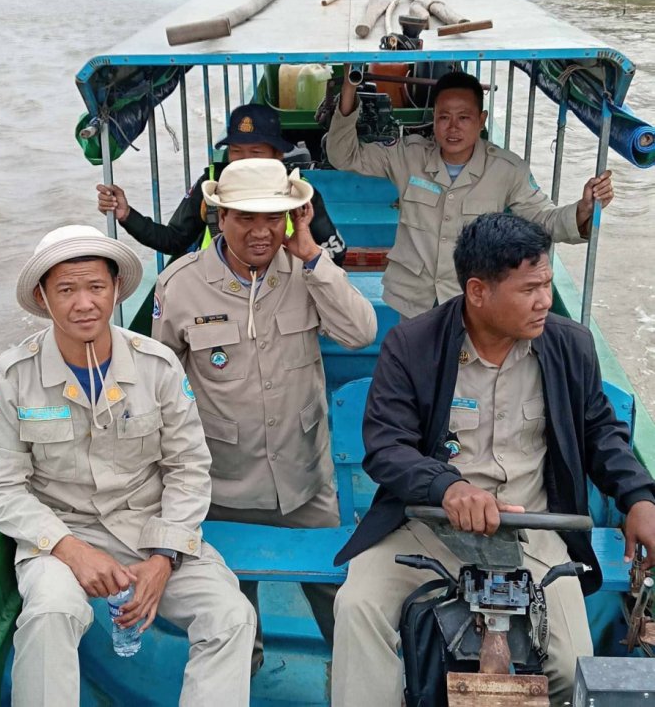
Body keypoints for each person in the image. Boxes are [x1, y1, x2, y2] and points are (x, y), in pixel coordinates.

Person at [331, 213, 655, 707]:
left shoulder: (570, 346)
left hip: (536, 532)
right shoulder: (414, 346)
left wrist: (637, 497)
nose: (545, 300)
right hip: (427, 525)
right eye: (529, 289)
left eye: (547, 284)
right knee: (357, 610)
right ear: (478, 292)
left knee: (572, 668)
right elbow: (388, 446)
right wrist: (447, 487)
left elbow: (600, 432)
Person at [0, 225, 256, 707]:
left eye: (95, 287)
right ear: (43, 297)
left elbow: (188, 467)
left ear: (115, 291)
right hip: (60, 537)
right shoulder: (12, 377)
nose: (83, 303)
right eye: (66, 289)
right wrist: (70, 549)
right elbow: (0, 487)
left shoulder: (158, 366)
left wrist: (164, 558)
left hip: (151, 530)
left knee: (231, 616)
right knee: (50, 612)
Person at [151, 158, 377, 671]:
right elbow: (157, 387)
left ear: (293, 217)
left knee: (338, 599)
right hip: (222, 487)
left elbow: (361, 332)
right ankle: (244, 671)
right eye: (245, 218)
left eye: (273, 218)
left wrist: (314, 256)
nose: (260, 232)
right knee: (232, 606)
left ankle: (353, 676)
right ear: (218, 217)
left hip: (305, 480)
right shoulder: (179, 286)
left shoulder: (307, 270)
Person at [326, 69, 615, 318]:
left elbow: (543, 219)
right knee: (418, 374)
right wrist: (349, 91)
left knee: (465, 373)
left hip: (473, 301)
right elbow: (344, 155)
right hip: (413, 300)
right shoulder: (407, 156)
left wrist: (583, 209)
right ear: (434, 119)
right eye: (444, 117)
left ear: (481, 119)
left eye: (464, 117)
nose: (452, 128)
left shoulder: (507, 169)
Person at [97, 102, 347, 266]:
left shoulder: (300, 194)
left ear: (277, 155)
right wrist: (127, 214)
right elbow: (172, 240)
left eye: (256, 152)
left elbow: (336, 253)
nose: (244, 160)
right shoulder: (211, 186)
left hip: (284, 295)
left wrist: (308, 258)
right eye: (236, 150)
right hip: (220, 291)